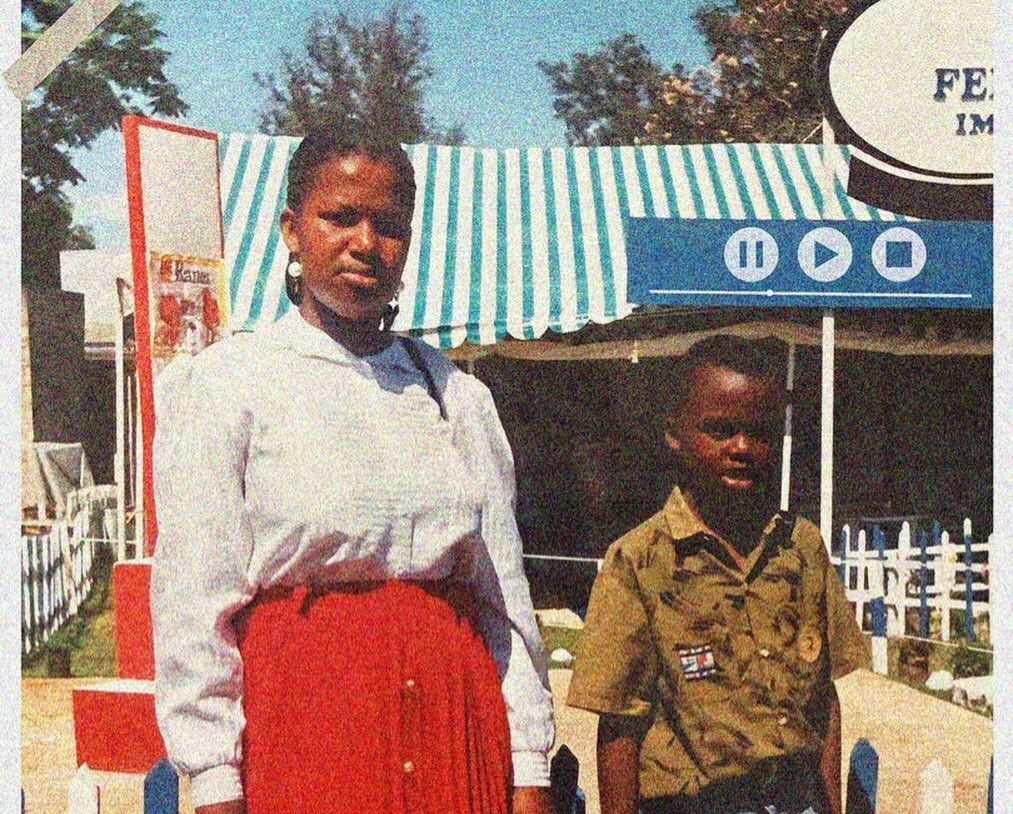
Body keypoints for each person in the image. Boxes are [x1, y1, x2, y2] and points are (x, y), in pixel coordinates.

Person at [150, 124, 554, 814]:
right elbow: (192, 607)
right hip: (306, 737)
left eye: (389, 226)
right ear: (291, 230)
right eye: (339, 217)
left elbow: (504, 604)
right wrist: (215, 780)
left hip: (453, 730)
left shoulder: (454, 396)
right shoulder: (227, 385)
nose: (365, 243)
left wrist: (529, 768)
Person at [566, 336, 868, 814]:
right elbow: (620, 724)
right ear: (676, 433)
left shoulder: (801, 548)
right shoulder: (640, 561)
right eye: (720, 430)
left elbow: (823, 700)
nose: (742, 447)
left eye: (759, 432)